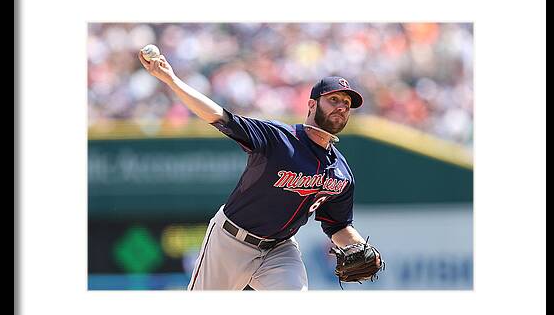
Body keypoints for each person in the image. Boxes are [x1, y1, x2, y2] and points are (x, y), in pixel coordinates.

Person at [138, 51, 382, 290]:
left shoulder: (340, 172)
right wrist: (171, 79)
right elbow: (218, 116)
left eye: (347, 104)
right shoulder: (278, 138)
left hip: (280, 249)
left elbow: (337, 226)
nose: (341, 107)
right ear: (311, 104)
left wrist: (364, 248)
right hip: (231, 241)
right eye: (334, 100)